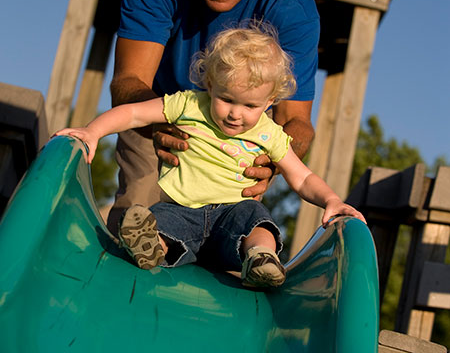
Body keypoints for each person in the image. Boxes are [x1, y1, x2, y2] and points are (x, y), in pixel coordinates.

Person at [56, 24, 366, 288]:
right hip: (181, 209)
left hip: (232, 216)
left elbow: (302, 176)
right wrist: (93, 131)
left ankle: (260, 259)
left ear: (270, 101)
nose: (235, 114)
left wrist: (331, 200)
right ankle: (151, 249)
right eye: (226, 99)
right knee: (158, 221)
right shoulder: (189, 105)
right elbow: (135, 113)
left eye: (250, 106)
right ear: (209, 85)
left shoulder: (268, 133)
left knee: (258, 222)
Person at [106, 0, 321, 237]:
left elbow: (296, 121)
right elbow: (128, 81)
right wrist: (159, 123)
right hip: (160, 108)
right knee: (134, 223)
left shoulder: (291, 1)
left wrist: (273, 163)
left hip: (241, 126)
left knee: (235, 235)